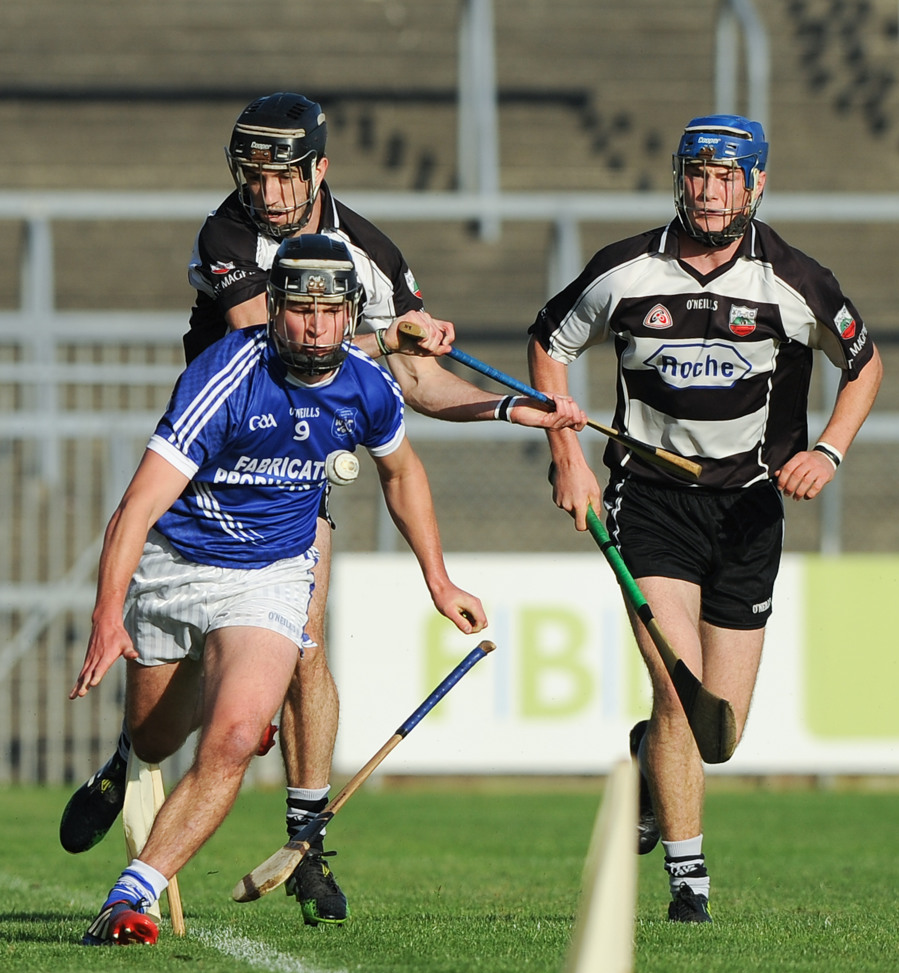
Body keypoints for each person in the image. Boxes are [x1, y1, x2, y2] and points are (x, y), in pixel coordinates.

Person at [60, 92, 585, 928]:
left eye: (283, 176)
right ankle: (136, 755)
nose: (265, 193)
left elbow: (401, 389)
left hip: (295, 483)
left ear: (320, 170)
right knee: (168, 724)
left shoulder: (369, 250)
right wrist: (391, 335)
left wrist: (510, 410)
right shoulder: (227, 238)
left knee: (301, 650)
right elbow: (277, 338)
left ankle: (304, 843)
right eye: (253, 175)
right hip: (208, 470)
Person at [75, 234, 488, 946]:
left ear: (351, 314)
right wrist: (109, 613)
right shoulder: (225, 376)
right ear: (275, 309)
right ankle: (139, 742)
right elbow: (136, 508)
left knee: (234, 738)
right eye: (301, 310)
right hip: (178, 564)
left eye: (331, 313)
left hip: (270, 575)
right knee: (153, 738)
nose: (316, 326)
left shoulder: (367, 383)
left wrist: (438, 577)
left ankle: (128, 899)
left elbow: (402, 472)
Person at [527, 114, 883, 923]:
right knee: (678, 688)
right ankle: (689, 886)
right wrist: (566, 454)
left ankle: (648, 767)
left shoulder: (795, 281)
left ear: (757, 185)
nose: (711, 191)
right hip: (649, 502)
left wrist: (828, 449)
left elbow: (864, 366)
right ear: (679, 179)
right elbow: (551, 343)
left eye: (729, 177)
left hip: (751, 512)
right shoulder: (624, 270)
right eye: (699, 174)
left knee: (722, 729)